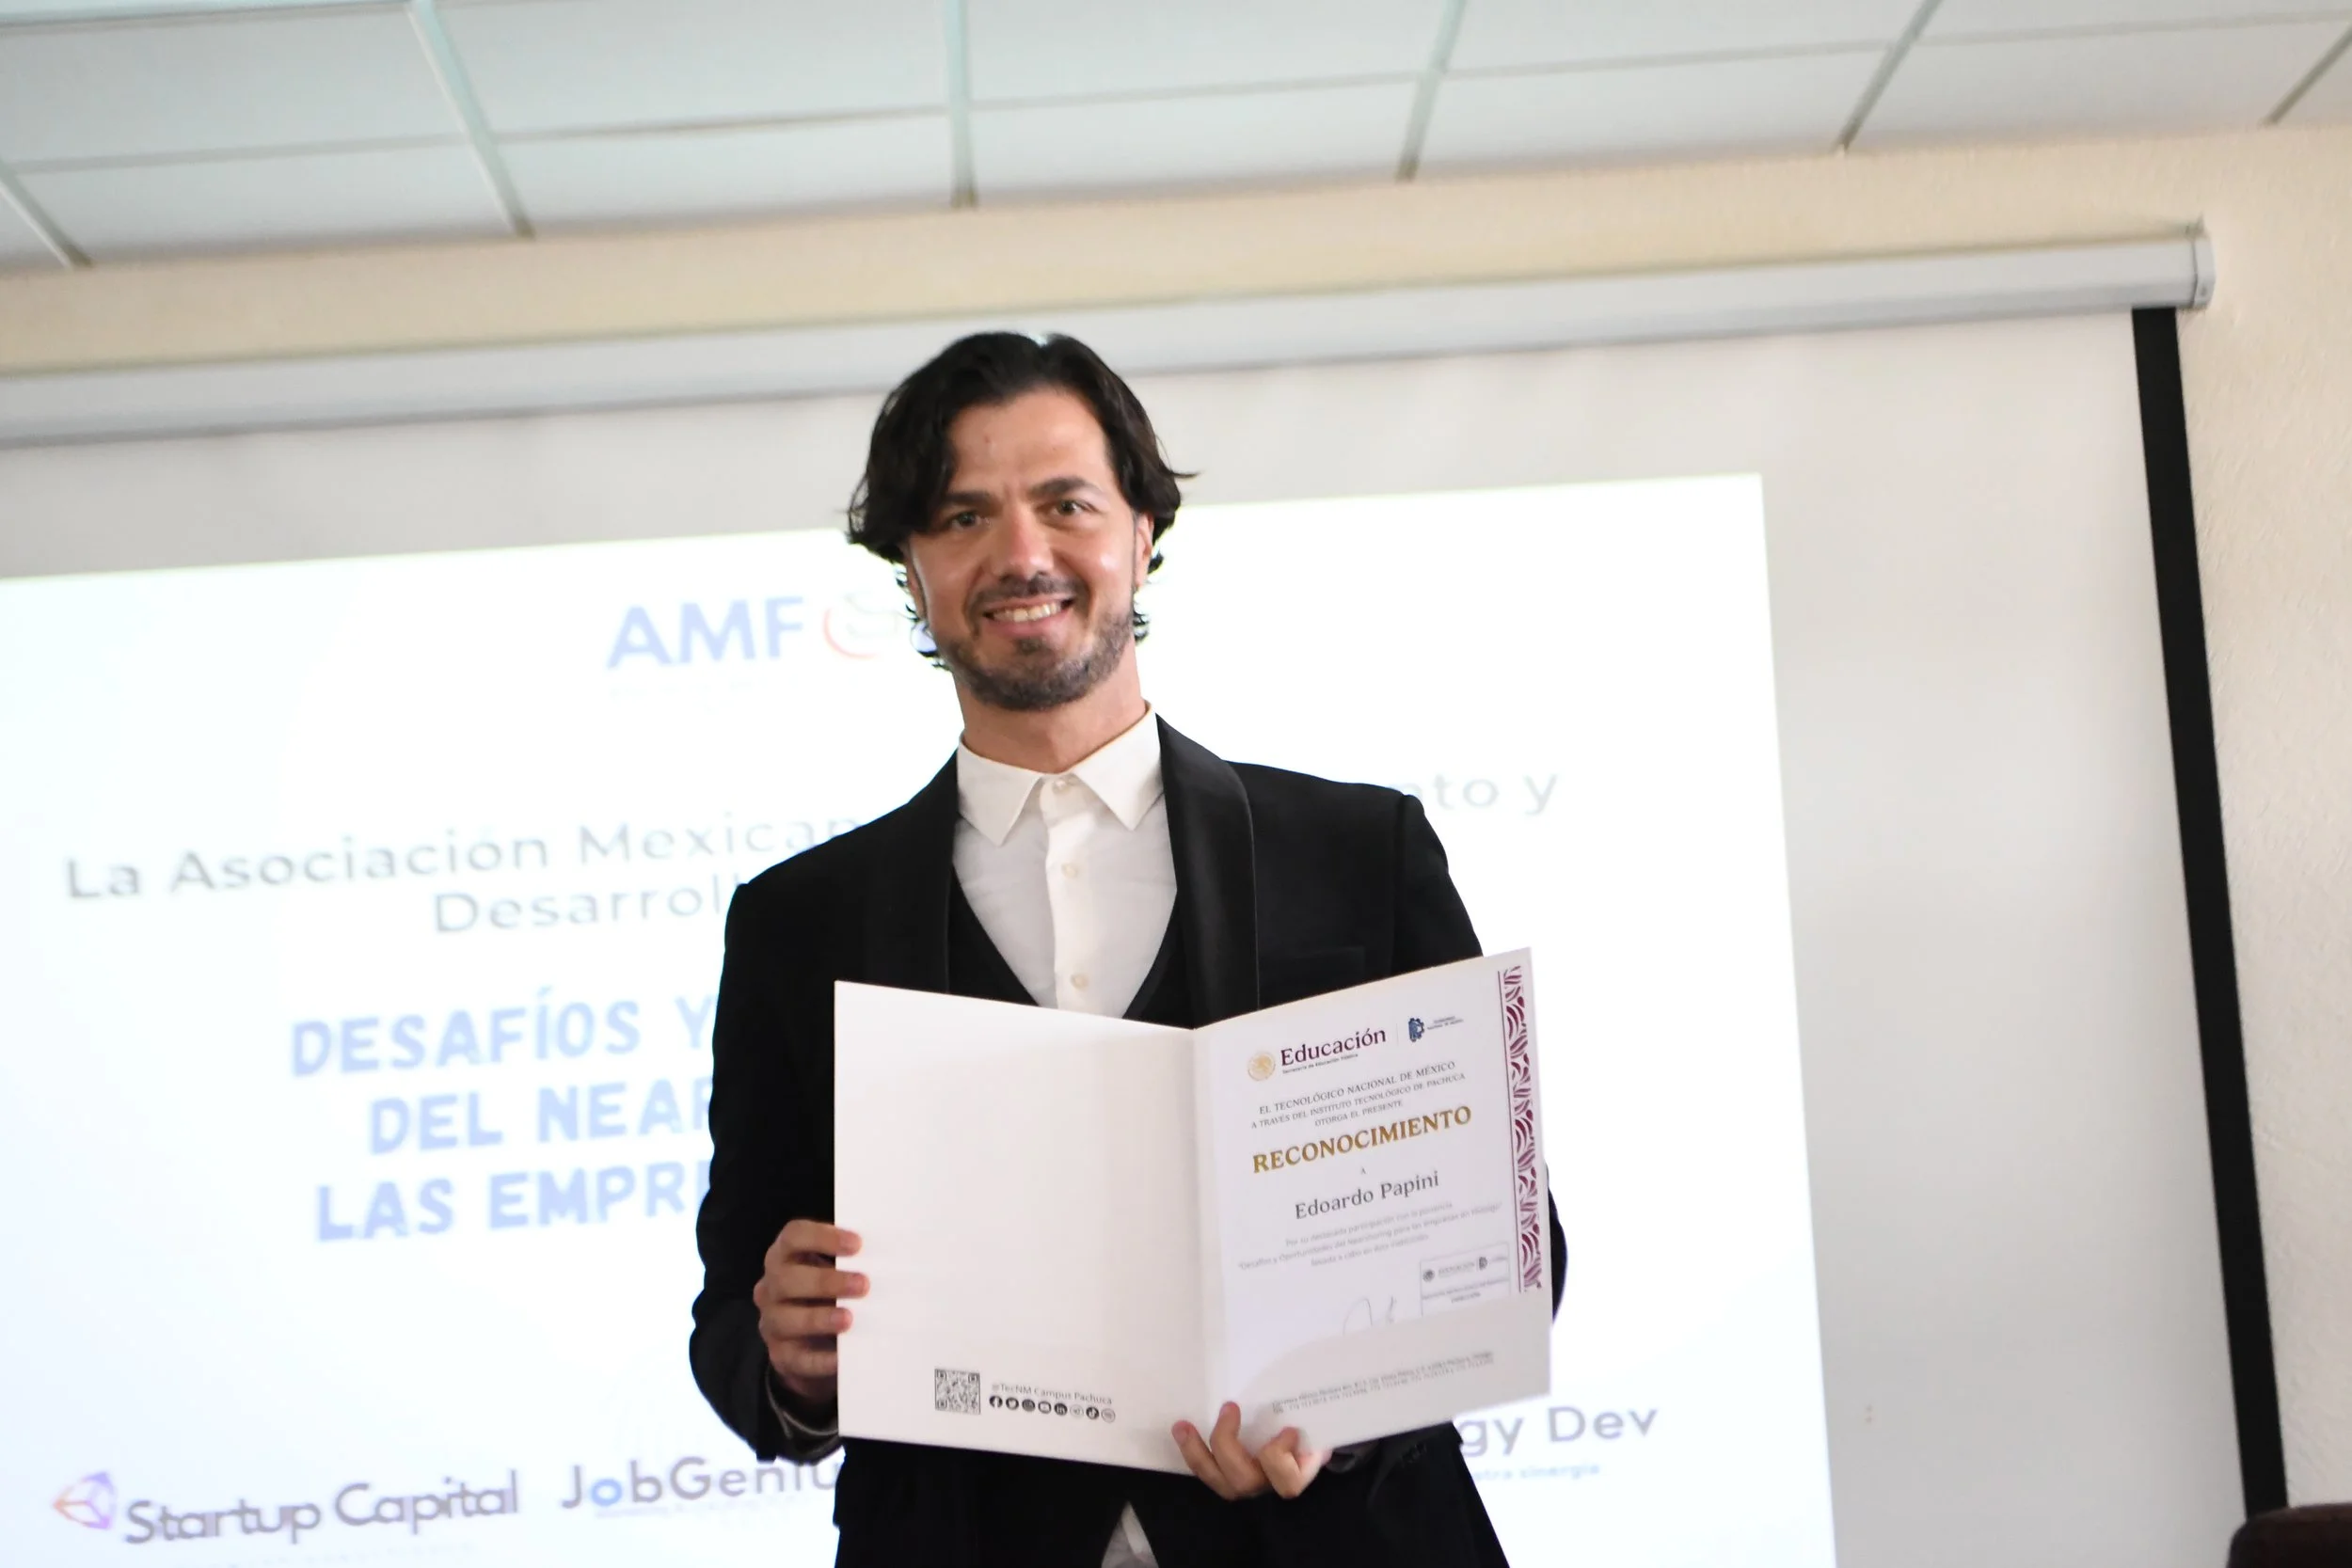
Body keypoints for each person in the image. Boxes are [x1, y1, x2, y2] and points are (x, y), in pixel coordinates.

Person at [690, 331, 1565, 1567]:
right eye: (962, 514)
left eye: (1065, 503)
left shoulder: (1360, 850)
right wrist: (787, 1356)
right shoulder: (796, 921)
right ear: (910, 563)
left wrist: (1344, 1410)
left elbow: (1514, 1246)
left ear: (1143, 528)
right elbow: (735, 1320)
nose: (1022, 554)